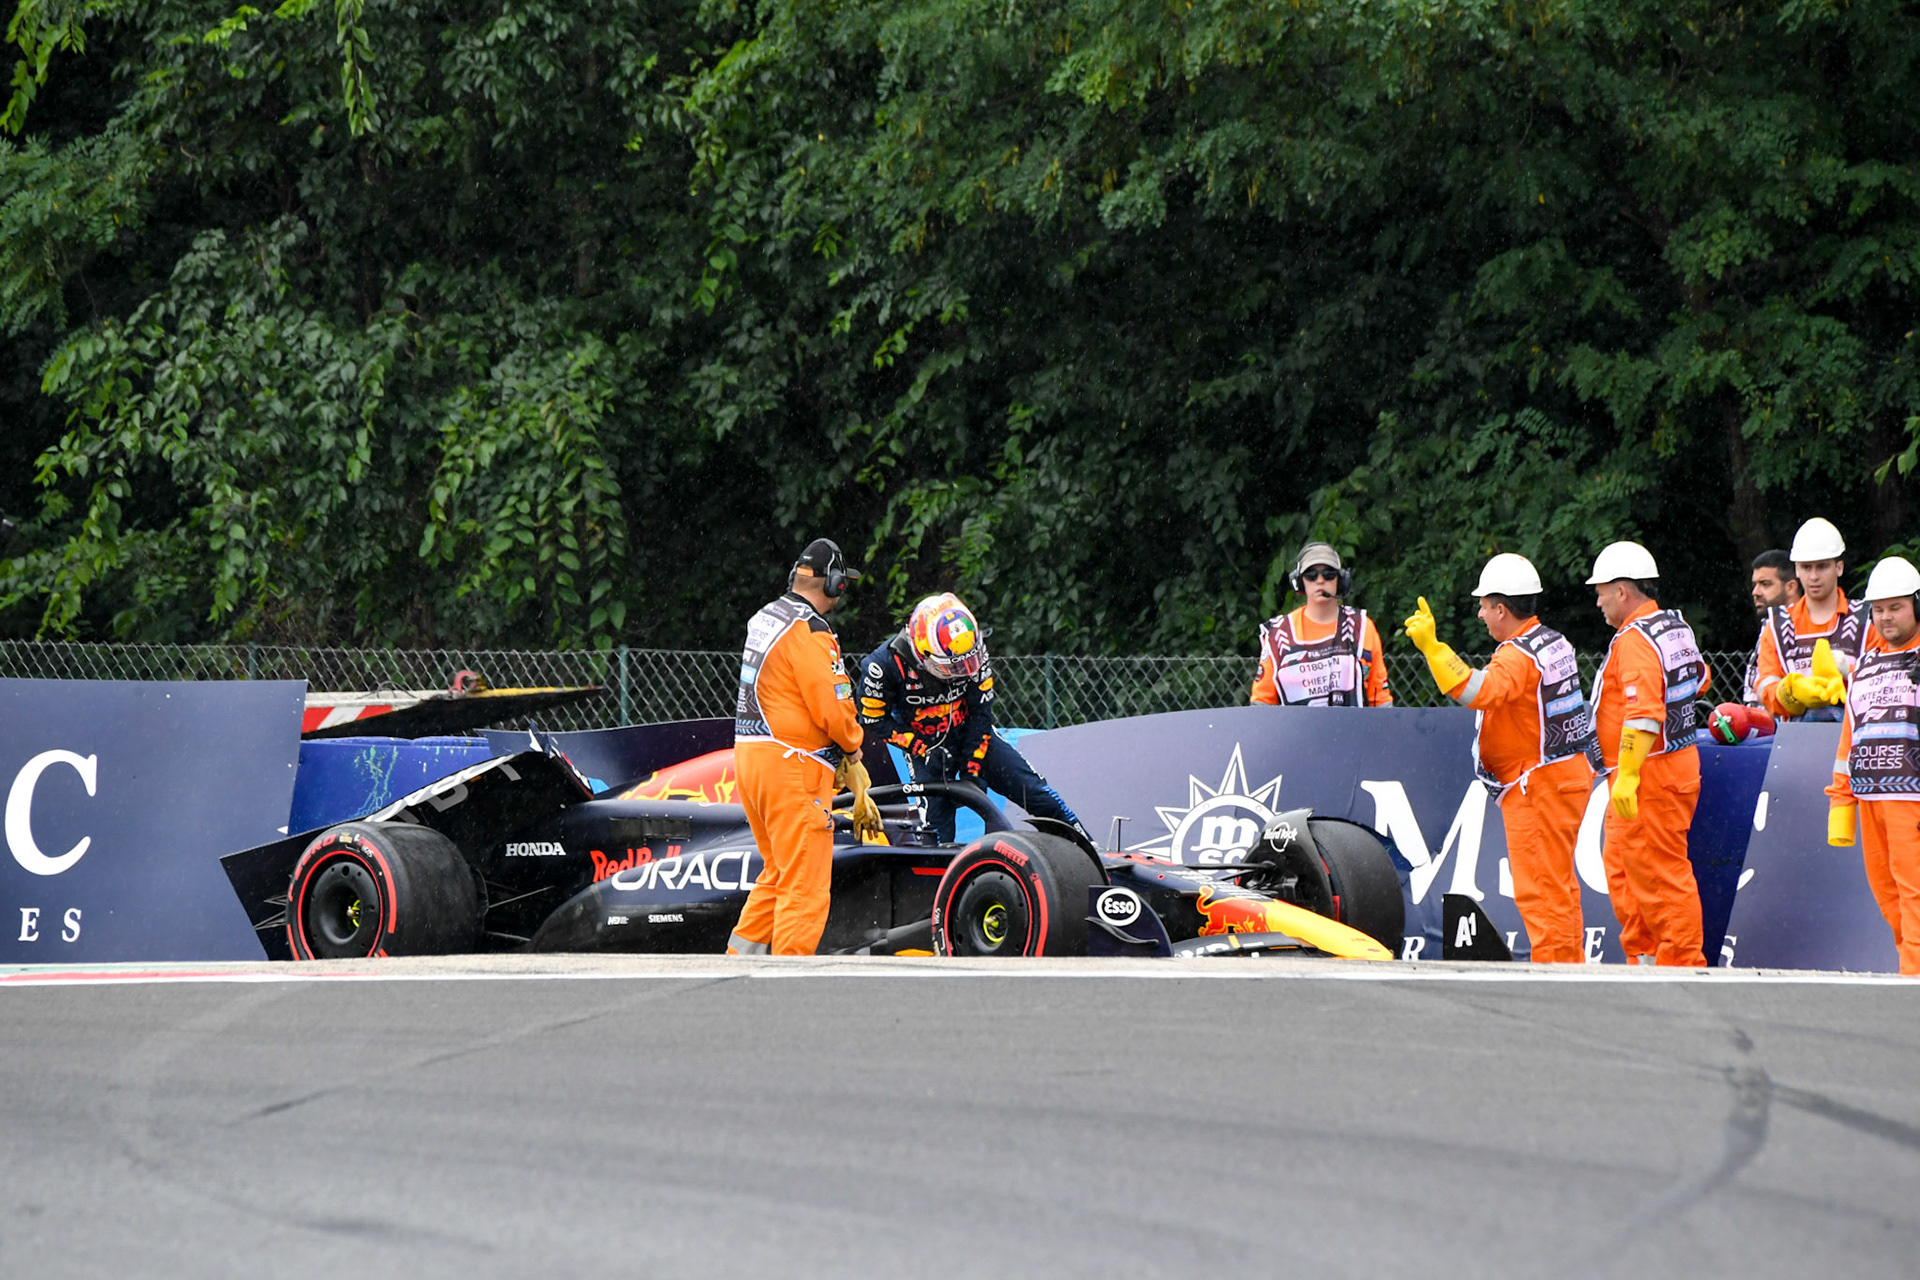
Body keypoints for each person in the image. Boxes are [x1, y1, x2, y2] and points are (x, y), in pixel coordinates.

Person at [1403, 554, 1599, 963]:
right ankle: (1570, 970)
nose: (1479, 614)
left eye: (1483, 606)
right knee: (1558, 886)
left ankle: (1556, 975)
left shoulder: (1517, 655)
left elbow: (1477, 691)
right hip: (1562, 776)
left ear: (1502, 609)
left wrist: (1433, 648)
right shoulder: (1552, 640)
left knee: (1540, 889)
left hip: (1539, 785)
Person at [726, 538, 872, 956]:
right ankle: (787, 982)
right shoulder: (810, 630)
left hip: (753, 760)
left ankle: (737, 965)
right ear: (834, 583)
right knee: (804, 886)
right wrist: (853, 749)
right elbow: (831, 706)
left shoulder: (766, 616)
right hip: (793, 768)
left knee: (778, 873)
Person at [859, 592, 1088, 843]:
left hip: (971, 732)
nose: (964, 671)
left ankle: (1089, 846)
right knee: (936, 832)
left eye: (968, 662)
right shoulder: (881, 666)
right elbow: (873, 720)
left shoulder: (970, 650)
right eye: (953, 666)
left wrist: (972, 768)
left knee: (1036, 792)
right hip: (925, 747)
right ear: (922, 654)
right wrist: (919, 747)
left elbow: (981, 713)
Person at [1588, 541, 1710, 966]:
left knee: (1660, 876)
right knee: (1624, 867)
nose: (1598, 602)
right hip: (1662, 767)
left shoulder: (1636, 639)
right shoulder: (1673, 627)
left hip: (1648, 775)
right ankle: (1645, 958)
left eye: (1601, 593)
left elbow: (1643, 714)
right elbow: (1701, 679)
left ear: (1622, 591)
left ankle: (1682, 967)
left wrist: (1627, 774)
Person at [1826, 556, 1920, 976]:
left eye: (1896, 607)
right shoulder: (1864, 665)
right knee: (1889, 898)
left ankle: (1912, 987)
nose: (1886, 617)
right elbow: (1849, 742)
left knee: (1915, 897)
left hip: (1911, 804)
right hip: (1871, 803)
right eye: (1878, 609)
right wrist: (1840, 803)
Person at [1753, 517, 1867, 721]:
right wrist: (1791, 692)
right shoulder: (1778, 625)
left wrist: (1849, 673)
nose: (1814, 576)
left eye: (1822, 566)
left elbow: (1887, 682)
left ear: (1839, 567)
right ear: (1797, 570)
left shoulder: (1866, 620)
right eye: (1806, 567)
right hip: (1797, 734)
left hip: (1854, 730)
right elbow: (1765, 686)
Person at [1250, 543, 1392, 707]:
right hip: (1295, 726)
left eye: (1328, 574)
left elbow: (1381, 700)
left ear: (1341, 580)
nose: (1320, 580)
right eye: (1311, 575)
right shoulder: (1278, 634)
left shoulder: (1362, 627)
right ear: (1299, 582)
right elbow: (1262, 703)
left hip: (1354, 725)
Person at [1743, 549, 1801, 706]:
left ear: (1790, 587)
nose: (1755, 592)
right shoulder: (1771, 625)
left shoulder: (1803, 628)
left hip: (1791, 718)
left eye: (1765, 584)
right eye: (1755, 585)